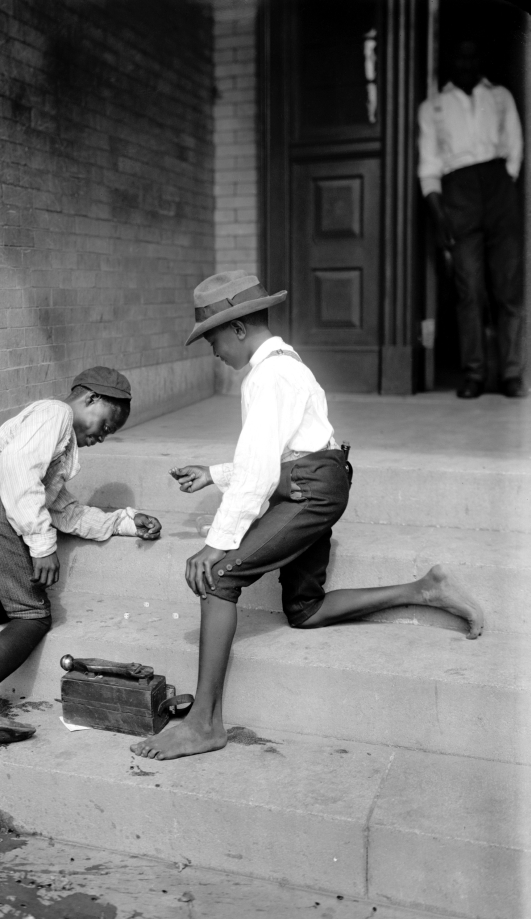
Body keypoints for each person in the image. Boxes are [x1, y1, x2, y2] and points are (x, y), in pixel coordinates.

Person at [131, 271, 484, 761]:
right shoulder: (283, 364)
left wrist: (217, 542)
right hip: (318, 477)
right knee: (305, 610)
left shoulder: (267, 375)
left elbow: (263, 468)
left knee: (217, 578)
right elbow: (282, 452)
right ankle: (422, 589)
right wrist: (215, 473)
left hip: (310, 489)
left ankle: (205, 723)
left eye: (212, 337)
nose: (211, 349)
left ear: (237, 329)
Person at [0, 366, 162, 744]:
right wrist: (42, 546)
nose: (101, 437)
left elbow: (65, 511)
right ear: (90, 399)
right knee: (33, 616)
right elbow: (16, 470)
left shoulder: (54, 440)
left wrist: (125, 522)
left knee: (3, 598)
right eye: (105, 425)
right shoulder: (56, 413)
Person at [418, 38, 525, 398]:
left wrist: (502, 188)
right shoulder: (432, 107)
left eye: (472, 53)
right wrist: (440, 213)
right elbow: (429, 166)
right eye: (459, 55)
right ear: (449, 60)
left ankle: (511, 374)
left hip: (499, 190)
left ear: (480, 57)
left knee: (508, 286)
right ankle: (474, 374)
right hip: (458, 193)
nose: (466, 62)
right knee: (469, 289)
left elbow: (515, 149)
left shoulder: (500, 96)